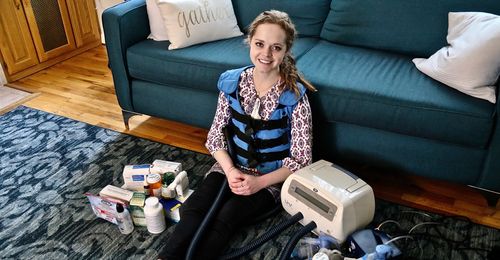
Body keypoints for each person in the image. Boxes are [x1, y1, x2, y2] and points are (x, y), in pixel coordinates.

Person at [159, 10, 316, 260]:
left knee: (226, 217)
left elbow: (300, 159)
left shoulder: (295, 98)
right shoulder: (231, 82)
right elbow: (215, 138)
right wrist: (230, 170)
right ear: (249, 41)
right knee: (195, 208)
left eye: (276, 47)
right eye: (260, 44)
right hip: (229, 167)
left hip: (269, 179)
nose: (266, 54)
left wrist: (258, 183)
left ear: (286, 50)